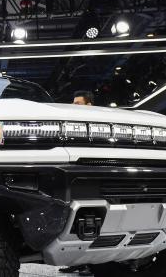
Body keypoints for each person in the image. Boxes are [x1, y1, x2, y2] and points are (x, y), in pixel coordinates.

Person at [59, 91, 97, 276]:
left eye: (78, 103)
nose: (73, 106)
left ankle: (89, 264)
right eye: (73, 103)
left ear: (89, 105)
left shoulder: (99, 123)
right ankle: (77, 262)